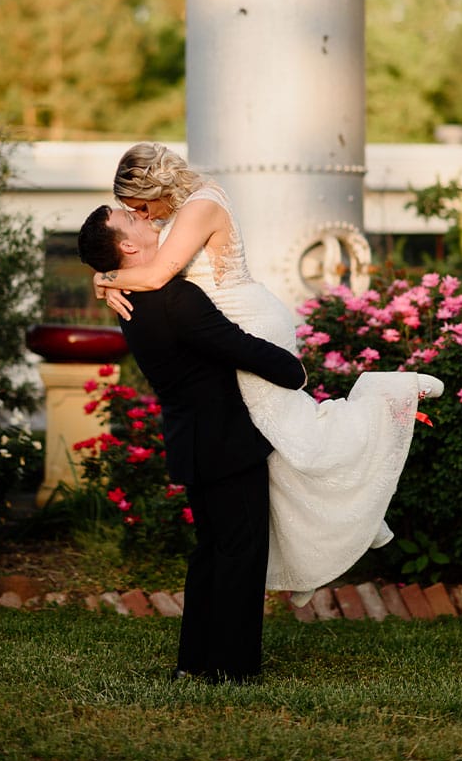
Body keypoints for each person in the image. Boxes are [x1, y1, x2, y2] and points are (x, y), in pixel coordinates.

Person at [92, 142, 444, 605]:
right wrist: (105, 273)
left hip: (248, 328)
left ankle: (388, 393)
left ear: (155, 187)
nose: (143, 216)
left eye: (140, 206)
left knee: (302, 432)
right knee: (273, 454)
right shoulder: (177, 208)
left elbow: (156, 276)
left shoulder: (200, 205)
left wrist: (103, 279)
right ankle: (315, 554)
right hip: (227, 330)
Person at [78, 204, 307, 683]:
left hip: (194, 439)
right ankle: (231, 669)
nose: (143, 215)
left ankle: (196, 662)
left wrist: (105, 277)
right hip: (225, 440)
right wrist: (294, 370)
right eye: (131, 219)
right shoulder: (175, 298)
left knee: (212, 551)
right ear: (127, 245)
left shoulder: (130, 298)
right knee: (240, 553)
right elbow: (237, 345)